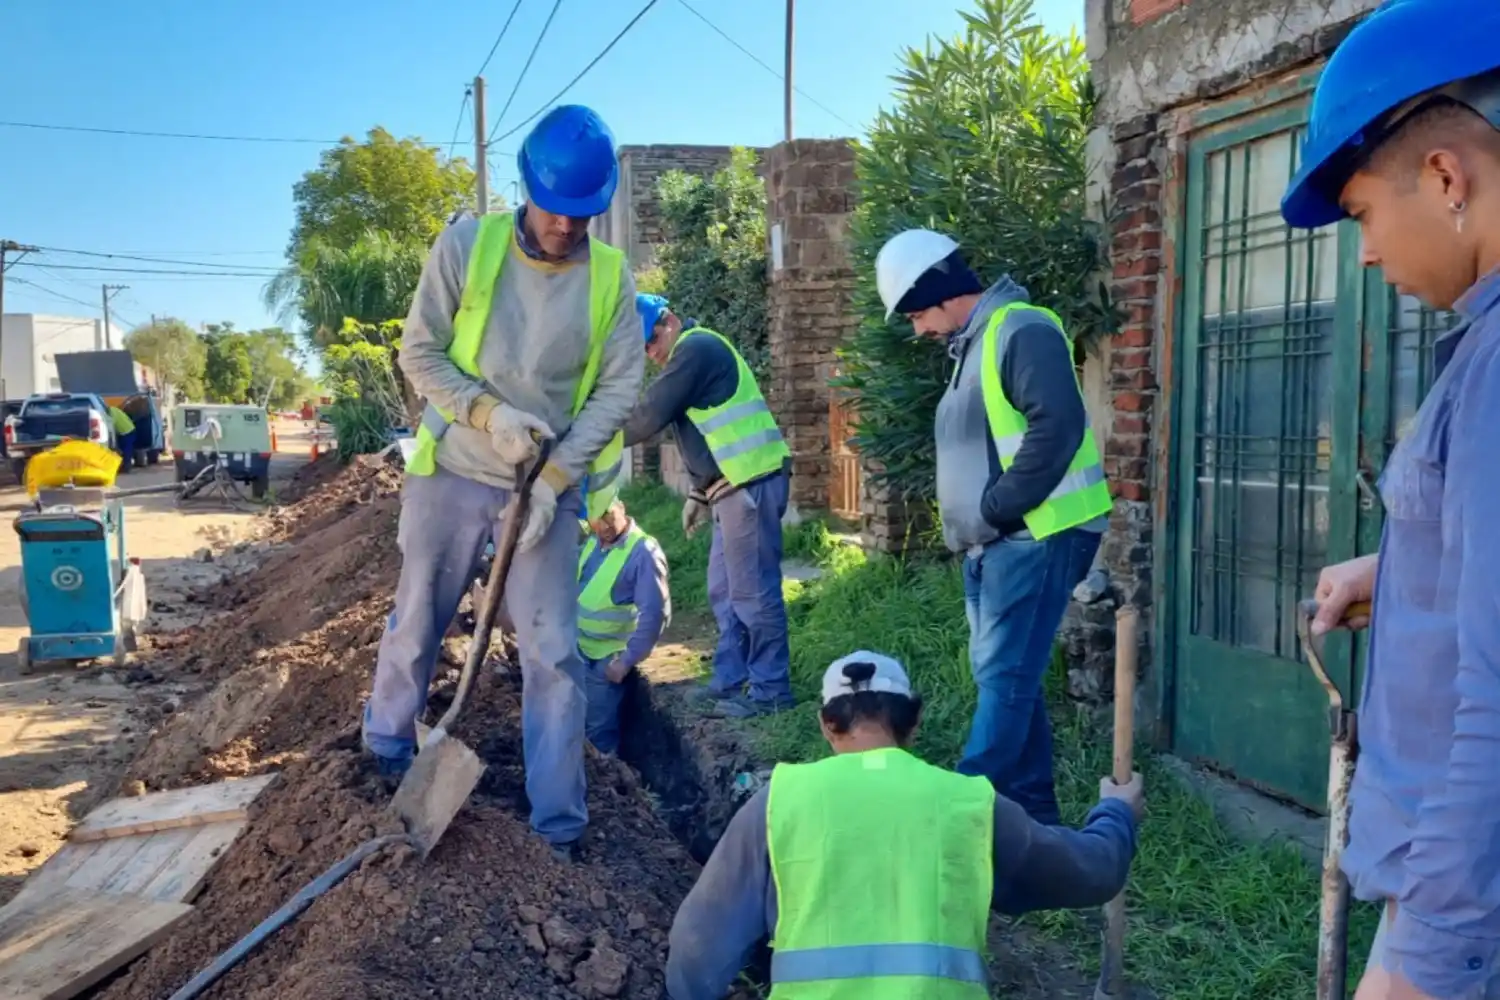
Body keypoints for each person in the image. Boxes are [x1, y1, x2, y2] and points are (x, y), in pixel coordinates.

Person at [1280, 3, 1500, 998]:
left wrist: (1433, 956)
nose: (1364, 253)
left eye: (1365, 212)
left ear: (1448, 179)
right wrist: (1404, 567)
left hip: (1457, 912)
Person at [360, 104, 643, 862]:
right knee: (419, 613)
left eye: (585, 215)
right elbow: (420, 356)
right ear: (527, 190)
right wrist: (488, 413)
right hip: (455, 466)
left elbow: (615, 394)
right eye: (557, 211)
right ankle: (383, 753)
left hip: (545, 486)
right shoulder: (466, 246)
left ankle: (556, 827)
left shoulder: (611, 280)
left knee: (554, 654)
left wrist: (552, 479)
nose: (568, 228)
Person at [663, 650, 1142, 1000]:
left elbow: (697, 947)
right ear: (914, 724)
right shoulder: (967, 802)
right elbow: (1092, 872)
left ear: (827, 725)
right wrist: (1116, 811)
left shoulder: (778, 802)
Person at [872, 230, 1111, 825]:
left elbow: (1056, 426)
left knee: (1005, 678)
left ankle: (949, 821)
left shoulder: (1020, 327)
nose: (918, 329)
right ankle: (1036, 823)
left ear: (940, 290)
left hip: (1037, 535)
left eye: (917, 312)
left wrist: (1000, 507)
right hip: (998, 542)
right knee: (1010, 680)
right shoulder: (975, 343)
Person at [621, 294, 794, 719]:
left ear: (672, 320)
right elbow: (706, 432)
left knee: (751, 593)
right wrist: (699, 494)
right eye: (644, 348)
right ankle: (730, 679)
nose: (652, 352)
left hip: (750, 483)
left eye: (652, 339)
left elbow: (647, 417)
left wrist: (585, 436)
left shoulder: (694, 348)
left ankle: (771, 692)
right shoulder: (692, 354)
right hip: (729, 487)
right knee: (724, 590)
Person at [578, 498, 671, 756]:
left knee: (598, 733)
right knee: (574, 725)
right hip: (578, 650)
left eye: (609, 515)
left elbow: (655, 614)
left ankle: (609, 788)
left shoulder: (643, 552)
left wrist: (626, 661)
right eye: (597, 518)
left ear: (622, 507)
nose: (605, 524)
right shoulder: (592, 544)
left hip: (606, 660)